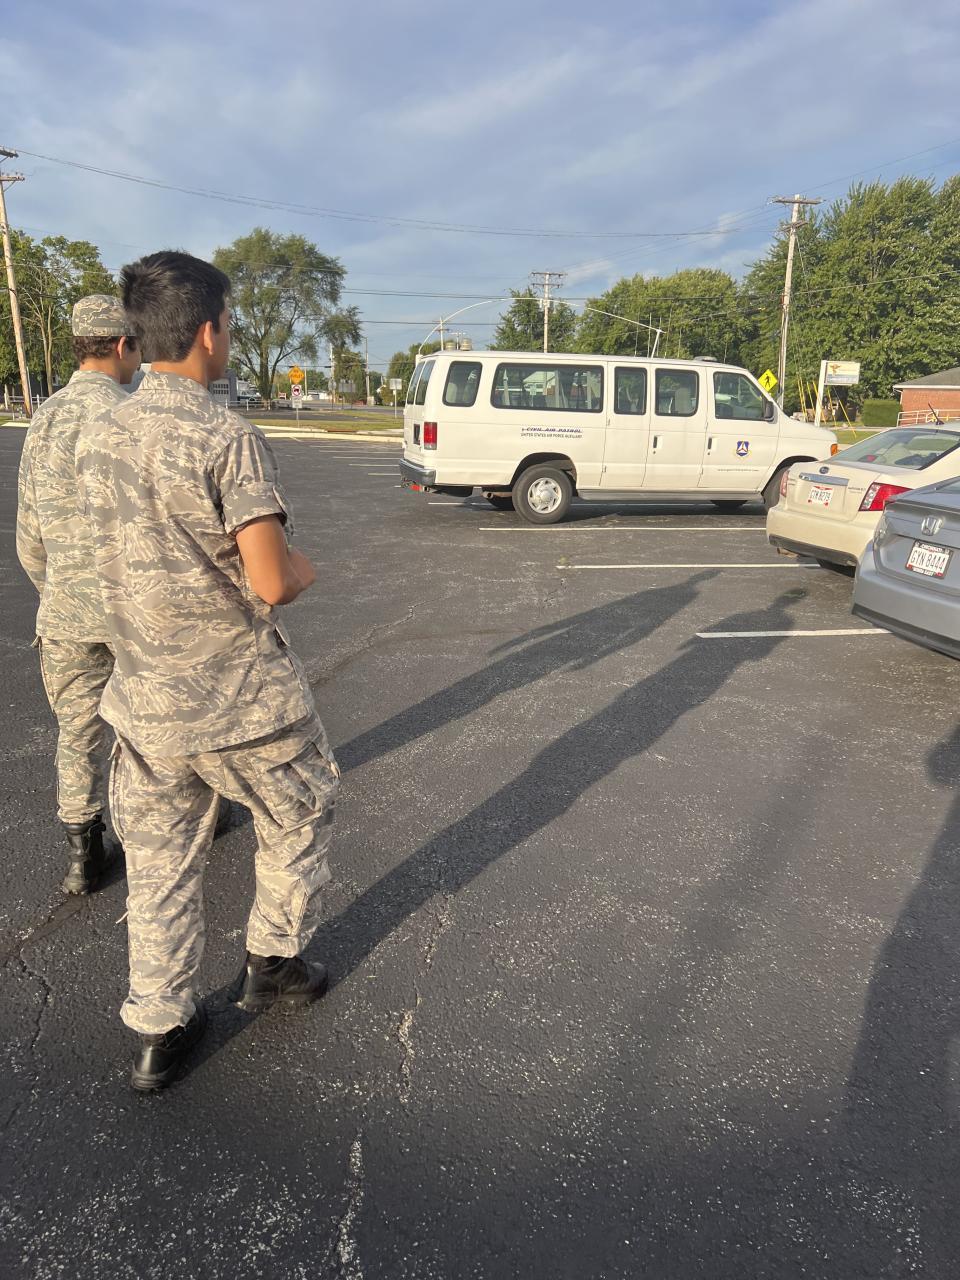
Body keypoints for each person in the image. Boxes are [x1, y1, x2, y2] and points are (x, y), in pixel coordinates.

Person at [76, 251, 340, 1092]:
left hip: (143, 700)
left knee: (159, 865)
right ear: (205, 332)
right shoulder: (226, 437)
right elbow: (271, 580)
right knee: (303, 807)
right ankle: (272, 959)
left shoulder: (97, 433)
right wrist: (304, 568)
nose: (227, 337)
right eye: (227, 324)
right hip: (241, 703)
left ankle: (159, 1029)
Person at [16, 295, 142, 894]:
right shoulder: (131, 416)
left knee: (77, 731)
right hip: (134, 608)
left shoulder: (44, 419)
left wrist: (60, 591)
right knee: (151, 727)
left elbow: (29, 534)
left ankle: (82, 855)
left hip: (66, 610)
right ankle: (163, 836)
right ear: (121, 345)